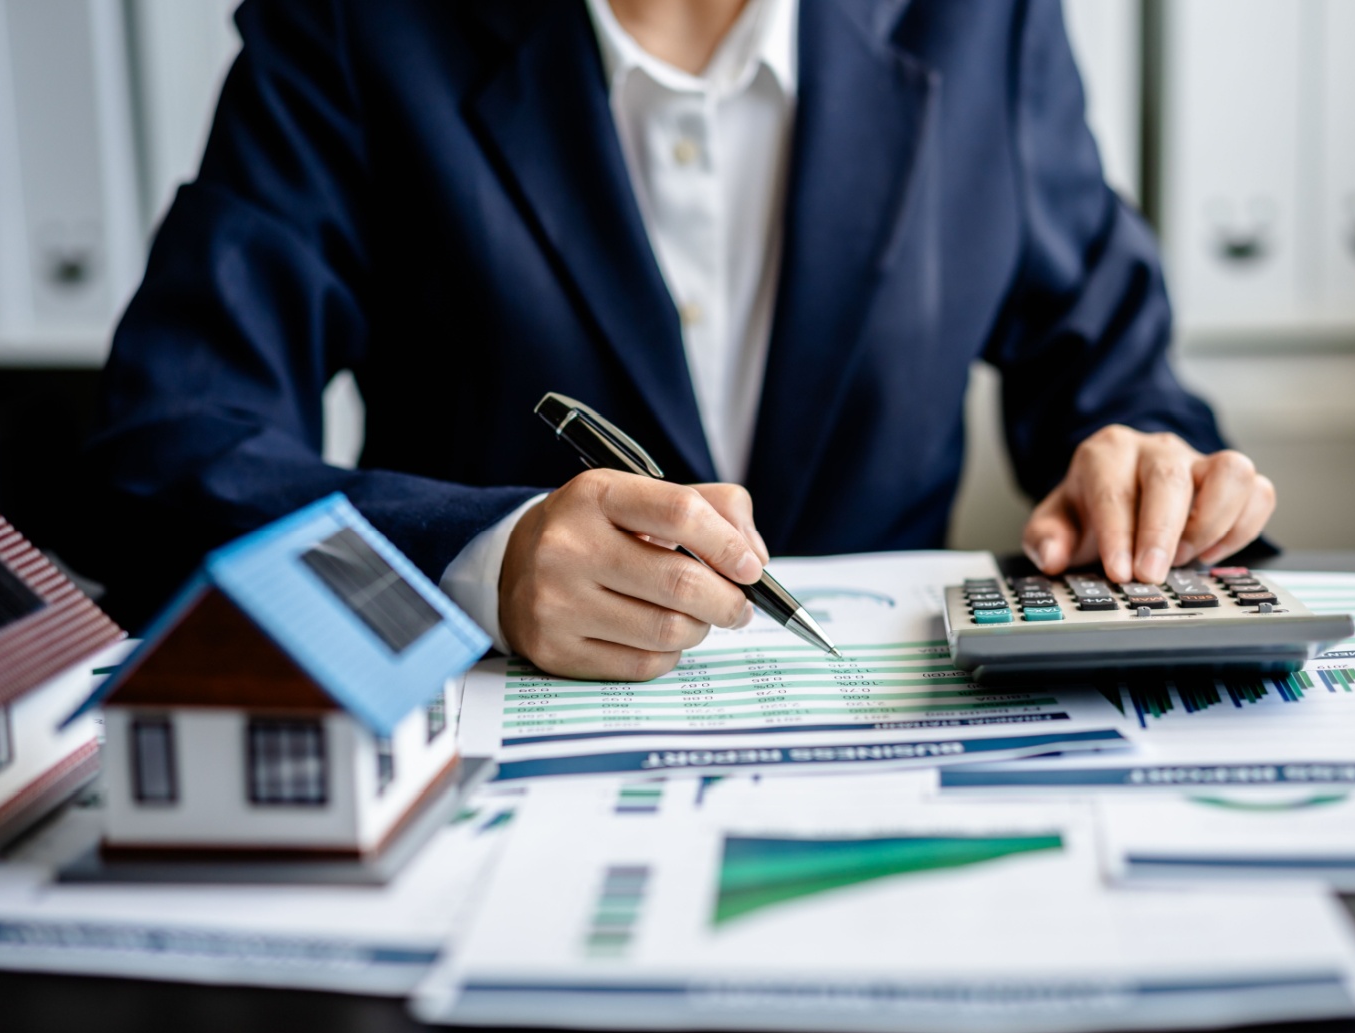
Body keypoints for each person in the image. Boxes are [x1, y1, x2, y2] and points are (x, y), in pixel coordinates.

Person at [85, 0, 1275, 680]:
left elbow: (1119, 389)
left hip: (890, 758)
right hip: (497, 803)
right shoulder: (357, 25)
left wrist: (1148, 472)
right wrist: (477, 562)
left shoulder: (984, 22)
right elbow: (163, 455)